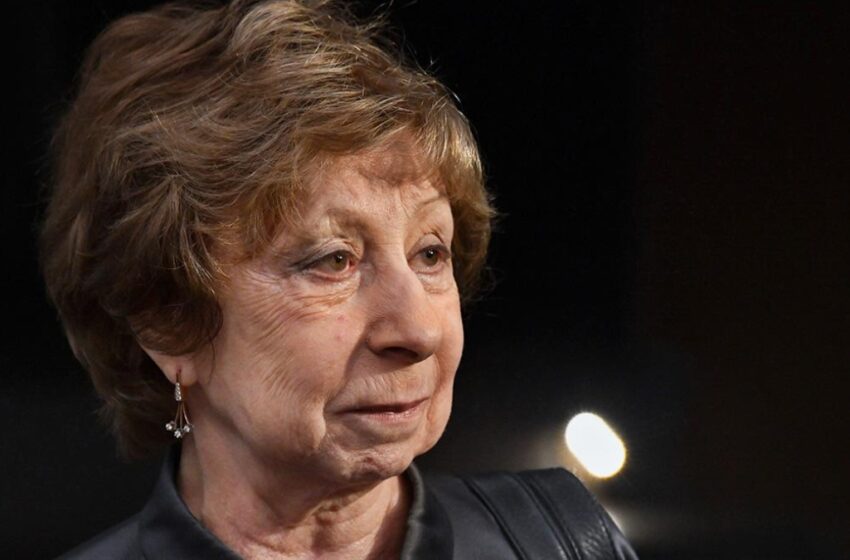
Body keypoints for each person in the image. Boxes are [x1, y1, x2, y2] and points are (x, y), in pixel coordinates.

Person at [42, 1, 638, 558]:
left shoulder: (559, 541)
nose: (419, 331)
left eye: (430, 254)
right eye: (334, 261)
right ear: (168, 323)